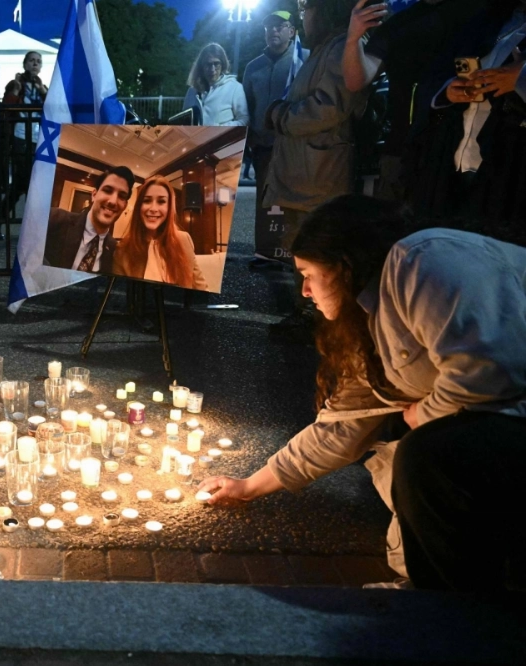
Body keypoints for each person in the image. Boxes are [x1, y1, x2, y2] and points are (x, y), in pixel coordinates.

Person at [197, 194, 526, 594]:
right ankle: (446, 598)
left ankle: (454, 619)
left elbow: (493, 369)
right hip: (497, 431)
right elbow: (340, 429)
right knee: (415, 458)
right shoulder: (368, 324)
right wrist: (248, 487)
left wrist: (426, 414)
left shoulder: (423, 261)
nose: (304, 291)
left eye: (309, 275)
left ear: (343, 266)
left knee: (427, 456)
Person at [263, 0, 368, 334]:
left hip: (319, 173)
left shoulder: (340, 47)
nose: (302, 16)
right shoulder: (324, 49)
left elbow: (330, 107)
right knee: (305, 247)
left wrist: (281, 115)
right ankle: (308, 313)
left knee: (318, 247)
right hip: (306, 172)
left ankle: (318, 319)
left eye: (306, 8)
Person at [342, 0, 480, 202]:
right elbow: (356, 81)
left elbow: (474, 81)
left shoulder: (477, 14)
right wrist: (352, 39)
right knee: (395, 226)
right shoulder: (399, 22)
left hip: (462, 151)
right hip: (402, 151)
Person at [406, 0, 526, 224]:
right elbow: (439, 73)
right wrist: (449, 90)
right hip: (454, 157)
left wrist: (520, 77)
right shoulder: (487, 20)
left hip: (511, 170)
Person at [244, 10, 309, 268]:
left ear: (292, 31)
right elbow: (247, 106)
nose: (273, 31)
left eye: (280, 26)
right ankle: (265, 252)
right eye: (269, 27)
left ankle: (293, 254)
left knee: (294, 201)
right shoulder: (253, 67)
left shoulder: (304, 60)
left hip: (293, 144)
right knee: (265, 200)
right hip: (263, 146)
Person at [113, 175, 209, 290]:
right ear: (139, 206)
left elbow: (202, 289)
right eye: (147, 200)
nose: (153, 208)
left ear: (169, 208)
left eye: (161, 201)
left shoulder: (184, 240)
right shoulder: (122, 251)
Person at [43, 166, 135, 275]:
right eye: (107, 190)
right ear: (94, 195)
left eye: (121, 196)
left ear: (125, 205)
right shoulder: (52, 218)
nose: (113, 201)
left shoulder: (115, 251)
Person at [0, 51, 49, 240]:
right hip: (20, 137)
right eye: (32, 61)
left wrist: (43, 91)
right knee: (26, 181)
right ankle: (29, 229)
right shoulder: (16, 83)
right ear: (25, 63)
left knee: (25, 184)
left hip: (39, 139)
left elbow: (52, 107)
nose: (35, 64)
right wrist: (17, 89)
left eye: (38, 61)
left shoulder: (42, 86)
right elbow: (7, 106)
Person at [183, 43, 249, 127]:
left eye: (216, 64)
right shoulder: (192, 91)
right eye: (208, 64)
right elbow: (184, 121)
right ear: (201, 66)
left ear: (223, 64)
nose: (212, 69)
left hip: (222, 139)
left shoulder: (234, 88)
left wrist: (218, 129)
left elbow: (244, 120)